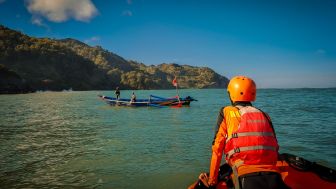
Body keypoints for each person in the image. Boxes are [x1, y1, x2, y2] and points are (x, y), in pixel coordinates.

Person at [200, 76, 290, 189]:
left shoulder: (226, 112)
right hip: (274, 176)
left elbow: (217, 149)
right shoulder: (264, 115)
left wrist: (212, 182)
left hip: (245, 177)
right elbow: (274, 146)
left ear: (231, 95)